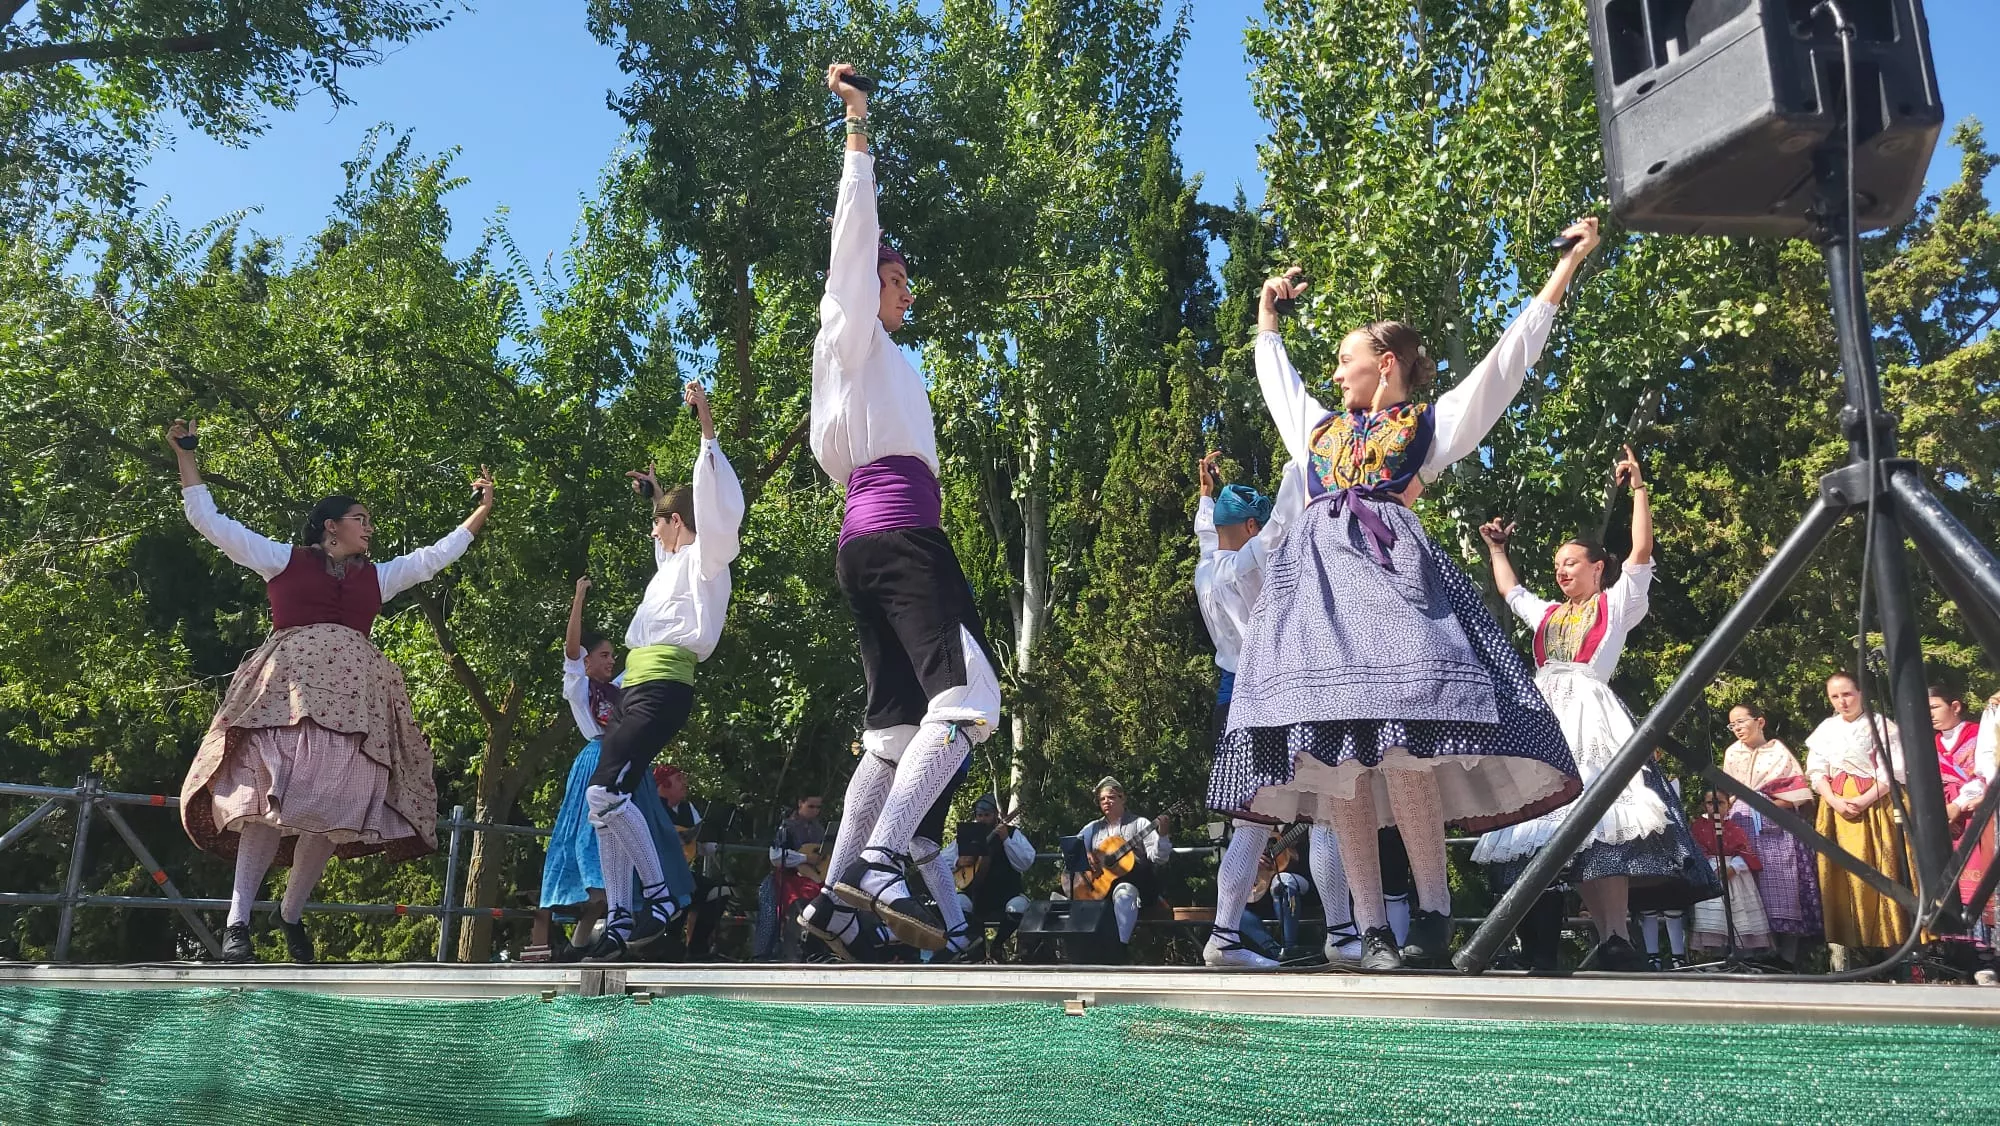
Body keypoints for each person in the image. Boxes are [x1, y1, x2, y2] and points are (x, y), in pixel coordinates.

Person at [1213, 226, 1600, 971]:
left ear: (1383, 366)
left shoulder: (1423, 424)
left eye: (1347, 357)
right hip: (1318, 608)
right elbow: (1278, 384)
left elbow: (1502, 368)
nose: (1336, 368)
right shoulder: (1320, 432)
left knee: (1401, 752)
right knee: (1341, 768)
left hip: (1392, 592)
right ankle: (1371, 928)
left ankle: (1431, 911)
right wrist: (1266, 316)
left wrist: (1564, 270)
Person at [799, 62, 1003, 955]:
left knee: (889, 735)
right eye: (895, 280)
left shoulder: (873, 365)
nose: (903, 291)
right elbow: (854, 237)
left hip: (869, 539)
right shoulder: (851, 333)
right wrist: (858, 130)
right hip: (898, 533)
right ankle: (883, 859)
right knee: (971, 701)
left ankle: (838, 895)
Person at [168, 418, 493, 964]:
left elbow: (437, 555)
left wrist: (482, 509)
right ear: (329, 527)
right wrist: (187, 456)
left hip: (354, 710)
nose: (368, 528)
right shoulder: (282, 560)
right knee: (265, 807)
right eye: (359, 520)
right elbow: (209, 520)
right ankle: (238, 924)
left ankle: (292, 916)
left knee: (333, 810)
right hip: (284, 701)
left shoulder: (378, 577)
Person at [1470, 449, 1716, 972]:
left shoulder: (1617, 602)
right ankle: (1538, 944)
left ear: (1597, 567)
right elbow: (1512, 592)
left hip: (1589, 713)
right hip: (1542, 714)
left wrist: (1639, 490)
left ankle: (1615, 938)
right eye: (1557, 564)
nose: (1561, 570)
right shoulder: (1550, 614)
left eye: (1571, 562)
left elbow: (1642, 552)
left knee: (1603, 819)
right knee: (1535, 821)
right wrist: (1496, 548)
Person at [583, 382, 744, 961]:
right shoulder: (674, 564)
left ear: (678, 521)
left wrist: (706, 426)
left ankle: (661, 898)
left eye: (658, 521)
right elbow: (664, 550)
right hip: (638, 688)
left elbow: (712, 510)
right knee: (602, 807)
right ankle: (624, 920)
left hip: (664, 687)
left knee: (605, 794)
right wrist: (652, 492)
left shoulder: (708, 558)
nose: (653, 530)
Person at [1192, 449, 1307, 968]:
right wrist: (1299, 459)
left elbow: (1204, 532)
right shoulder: (1249, 561)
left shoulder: (1206, 568)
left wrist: (1206, 492)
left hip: (1230, 701)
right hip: (1266, 695)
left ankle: (1226, 935)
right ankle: (1347, 931)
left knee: (1252, 821)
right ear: (1252, 523)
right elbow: (1283, 521)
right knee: (1321, 812)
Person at [1805, 671, 1909, 970]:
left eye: (1847, 694)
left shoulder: (1882, 726)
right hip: (1836, 806)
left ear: (1861, 693)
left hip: (1874, 804)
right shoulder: (1826, 728)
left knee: (1881, 870)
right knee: (1837, 872)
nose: (1842, 701)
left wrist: (1863, 800)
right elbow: (1816, 770)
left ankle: (1893, 952)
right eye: (1835, 696)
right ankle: (1841, 953)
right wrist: (1834, 800)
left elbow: (1894, 770)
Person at [1719, 703, 1821, 967]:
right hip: (1742, 825)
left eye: (1742, 721)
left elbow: (1797, 791)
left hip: (1777, 829)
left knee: (1784, 888)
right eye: (1733, 725)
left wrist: (1768, 804)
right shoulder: (1732, 753)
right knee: (1746, 887)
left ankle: (1785, 957)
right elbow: (1727, 794)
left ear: (1760, 722)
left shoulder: (1778, 752)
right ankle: (1750, 954)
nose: (1737, 728)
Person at [1065, 778, 1172, 954]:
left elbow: (1159, 857)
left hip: (1138, 884)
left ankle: (1119, 949)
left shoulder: (1140, 824)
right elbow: (1070, 849)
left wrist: (1163, 835)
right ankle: (1077, 951)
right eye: (1102, 799)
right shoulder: (1093, 827)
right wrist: (1086, 854)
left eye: (1111, 797)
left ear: (1123, 798)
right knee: (1061, 897)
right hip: (1100, 888)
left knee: (1125, 892)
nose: (1106, 802)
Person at [943, 795, 1036, 960]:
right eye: (980, 815)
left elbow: (1026, 861)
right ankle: (975, 947)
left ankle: (998, 945)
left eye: (987, 815)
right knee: (956, 904)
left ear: (995, 815)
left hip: (1005, 894)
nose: (983, 819)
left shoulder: (1012, 833)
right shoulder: (967, 836)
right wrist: (959, 861)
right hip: (975, 894)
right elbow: (942, 860)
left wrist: (1006, 839)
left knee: (1019, 907)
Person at [655, 764, 733, 961]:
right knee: (683, 890)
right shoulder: (651, 807)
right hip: (655, 876)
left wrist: (704, 844)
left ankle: (697, 949)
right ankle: (667, 945)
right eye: (678, 779)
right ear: (664, 784)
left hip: (682, 872)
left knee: (720, 891)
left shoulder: (688, 809)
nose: (684, 784)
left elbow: (697, 841)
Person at [1689, 791, 1774, 957]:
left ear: (1728, 805)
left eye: (1720, 803)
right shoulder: (1698, 827)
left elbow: (1745, 852)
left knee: (1739, 916)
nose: (1715, 807)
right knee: (1714, 915)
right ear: (1704, 805)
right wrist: (1714, 869)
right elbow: (1697, 851)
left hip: (1736, 877)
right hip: (1711, 875)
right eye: (1710, 803)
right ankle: (1715, 956)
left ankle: (1742, 956)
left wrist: (1733, 868)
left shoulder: (1735, 828)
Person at [754, 795, 827, 961]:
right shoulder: (785, 827)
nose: (815, 811)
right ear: (800, 803)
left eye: (818, 808)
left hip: (812, 878)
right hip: (786, 878)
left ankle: (814, 951)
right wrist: (806, 859)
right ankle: (777, 953)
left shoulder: (819, 829)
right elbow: (775, 856)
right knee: (792, 905)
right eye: (811, 806)